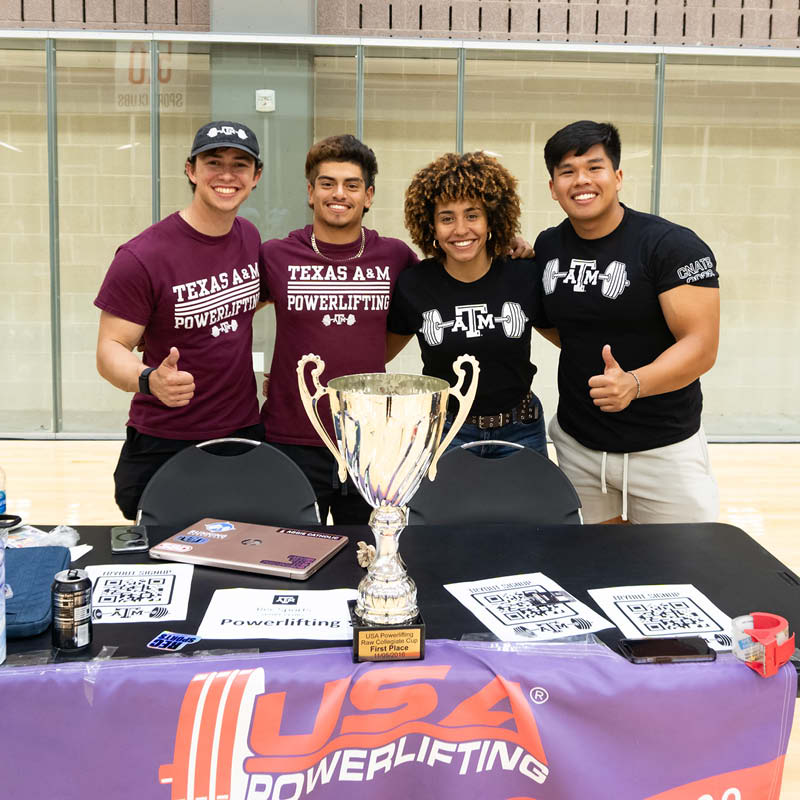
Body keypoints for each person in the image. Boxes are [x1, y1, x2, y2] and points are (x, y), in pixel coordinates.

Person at [534, 120, 720, 524]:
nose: (581, 180)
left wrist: (634, 384)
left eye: (594, 168)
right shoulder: (548, 246)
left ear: (617, 177)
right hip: (578, 448)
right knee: (593, 572)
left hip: (664, 450)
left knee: (681, 572)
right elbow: (555, 324)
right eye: (567, 171)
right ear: (553, 187)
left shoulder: (671, 246)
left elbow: (701, 346)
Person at [95, 121, 267, 520]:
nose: (227, 175)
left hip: (240, 433)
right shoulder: (142, 256)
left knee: (240, 556)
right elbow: (110, 349)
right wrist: (148, 379)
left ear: (255, 177)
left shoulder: (249, 237)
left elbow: (242, 303)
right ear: (191, 170)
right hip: (165, 439)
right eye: (214, 162)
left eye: (240, 165)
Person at [259, 135, 417, 524]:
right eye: (327, 184)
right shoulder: (276, 255)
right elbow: (229, 306)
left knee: (366, 557)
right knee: (288, 555)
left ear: (369, 195)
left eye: (352, 185)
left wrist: (511, 247)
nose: (339, 194)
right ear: (311, 192)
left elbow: (443, 287)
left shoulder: (395, 256)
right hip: (291, 438)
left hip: (370, 441)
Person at [386, 151, 547, 459]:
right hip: (446, 431)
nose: (461, 230)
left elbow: (570, 338)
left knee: (526, 509)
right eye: (447, 218)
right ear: (431, 226)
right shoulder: (414, 285)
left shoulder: (524, 275)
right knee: (444, 509)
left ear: (491, 221)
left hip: (521, 429)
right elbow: (377, 353)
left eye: (472, 215)